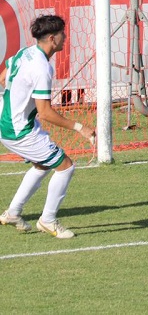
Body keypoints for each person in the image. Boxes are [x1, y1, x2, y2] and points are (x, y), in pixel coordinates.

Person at [0, 15, 95, 239]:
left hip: (10, 122)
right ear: (52, 38)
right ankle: (48, 220)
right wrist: (79, 127)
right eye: (63, 34)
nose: (66, 38)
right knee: (65, 166)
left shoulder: (25, 52)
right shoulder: (42, 68)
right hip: (19, 130)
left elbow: (3, 78)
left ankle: (13, 213)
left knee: (43, 165)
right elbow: (45, 112)